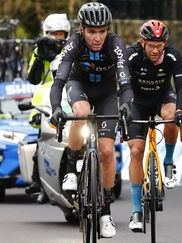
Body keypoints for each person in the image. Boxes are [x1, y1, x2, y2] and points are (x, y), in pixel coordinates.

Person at [49, 2, 133, 238]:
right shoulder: (73, 43)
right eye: (92, 32)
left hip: (107, 92)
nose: (98, 37)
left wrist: (126, 104)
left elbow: (125, 82)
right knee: (82, 113)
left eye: (102, 31)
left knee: (107, 151)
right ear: (81, 29)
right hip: (80, 86)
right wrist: (56, 107)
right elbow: (59, 82)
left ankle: (105, 212)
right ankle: (71, 166)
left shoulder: (115, 44)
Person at [125, 19, 182, 232]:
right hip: (137, 102)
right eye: (151, 45)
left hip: (163, 97)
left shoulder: (173, 55)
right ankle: (136, 211)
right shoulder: (132, 54)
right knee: (136, 151)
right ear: (142, 43)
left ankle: (169, 162)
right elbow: (122, 83)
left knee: (173, 115)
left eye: (159, 45)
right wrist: (122, 108)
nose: (155, 50)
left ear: (165, 43)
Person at [24, 13, 71, 204]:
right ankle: (39, 181)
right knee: (41, 141)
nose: (58, 38)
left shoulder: (74, 48)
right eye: (54, 34)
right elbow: (33, 78)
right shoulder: (40, 49)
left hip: (70, 99)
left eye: (61, 34)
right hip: (45, 103)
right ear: (46, 34)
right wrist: (39, 56)